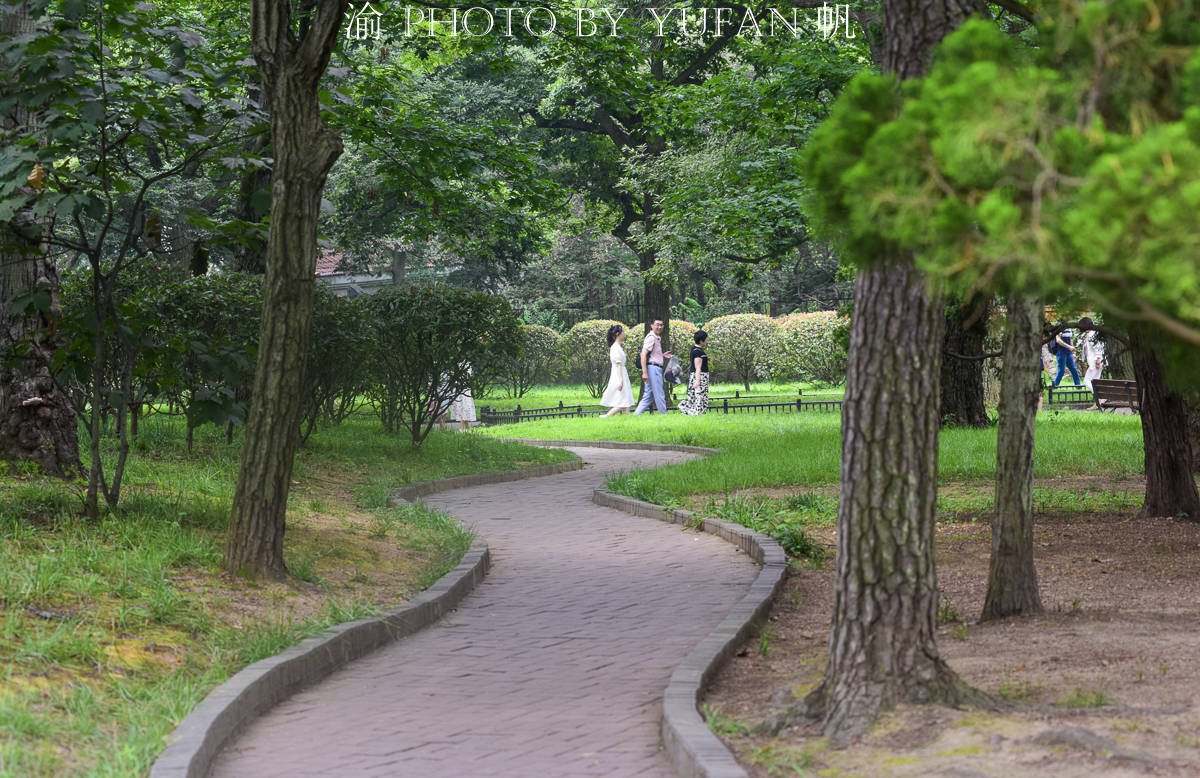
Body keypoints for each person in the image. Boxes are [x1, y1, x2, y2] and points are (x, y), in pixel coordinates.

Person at [633, 318, 673, 415]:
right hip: (653, 369)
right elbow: (643, 354)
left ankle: (635, 415)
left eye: (661, 325)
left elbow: (651, 355)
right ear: (652, 325)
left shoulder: (656, 337)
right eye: (657, 324)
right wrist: (645, 372)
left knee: (648, 396)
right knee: (659, 393)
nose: (659, 327)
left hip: (653, 368)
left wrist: (662, 355)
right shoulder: (651, 337)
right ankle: (664, 415)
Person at [599, 324, 633, 416]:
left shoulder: (618, 347)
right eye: (623, 332)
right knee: (622, 401)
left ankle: (626, 417)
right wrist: (621, 380)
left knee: (624, 399)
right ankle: (606, 416)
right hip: (619, 374)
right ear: (618, 334)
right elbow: (618, 365)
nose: (624, 334)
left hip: (621, 373)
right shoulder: (615, 348)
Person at [677, 329, 710, 416]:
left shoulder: (695, 350)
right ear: (701, 340)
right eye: (706, 339)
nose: (707, 341)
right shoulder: (698, 352)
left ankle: (697, 411)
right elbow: (698, 367)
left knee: (696, 395)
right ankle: (696, 412)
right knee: (699, 395)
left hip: (699, 376)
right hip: (700, 376)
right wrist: (698, 381)